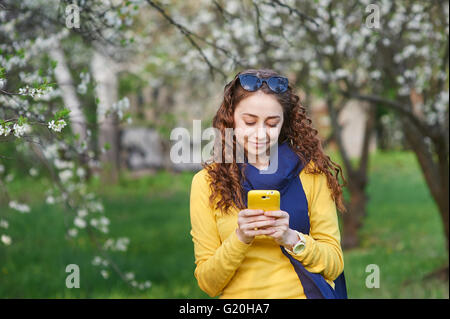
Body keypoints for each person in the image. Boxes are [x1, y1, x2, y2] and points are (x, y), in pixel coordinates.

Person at [189, 68, 348, 299]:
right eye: (250, 122)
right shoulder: (206, 182)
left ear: (284, 124)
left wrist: (292, 238)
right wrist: (241, 237)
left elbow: (334, 264)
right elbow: (208, 283)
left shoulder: (311, 174)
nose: (260, 134)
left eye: (272, 124)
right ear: (231, 118)